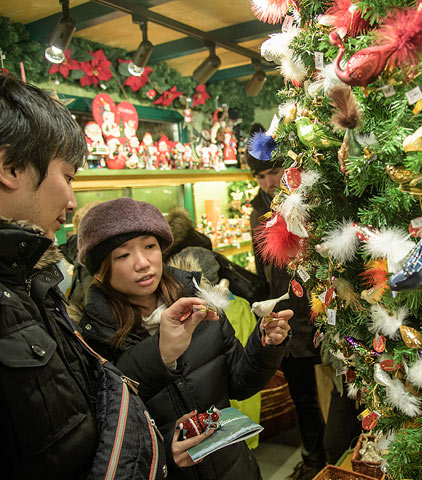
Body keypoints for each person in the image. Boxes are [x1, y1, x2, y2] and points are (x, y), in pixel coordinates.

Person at [0, 75, 173, 479]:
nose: (71, 199)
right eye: (69, 175)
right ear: (10, 167)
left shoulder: (29, 281)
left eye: (151, 248)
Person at [76, 197, 293, 480]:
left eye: (149, 246)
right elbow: (104, 439)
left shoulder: (198, 302)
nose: (142, 263)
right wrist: (166, 450)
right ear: (101, 269)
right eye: (123, 255)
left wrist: (265, 344)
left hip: (235, 466)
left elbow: (239, 383)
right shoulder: (93, 339)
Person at [247, 132, 327, 480]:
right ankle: (313, 460)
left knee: (334, 389)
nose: (268, 181)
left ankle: (334, 453)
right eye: (261, 176)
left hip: (318, 310)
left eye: (273, 171)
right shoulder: (256, 212)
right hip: (286, 316)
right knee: (302, 396)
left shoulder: (305, 200)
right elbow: (261, 269)